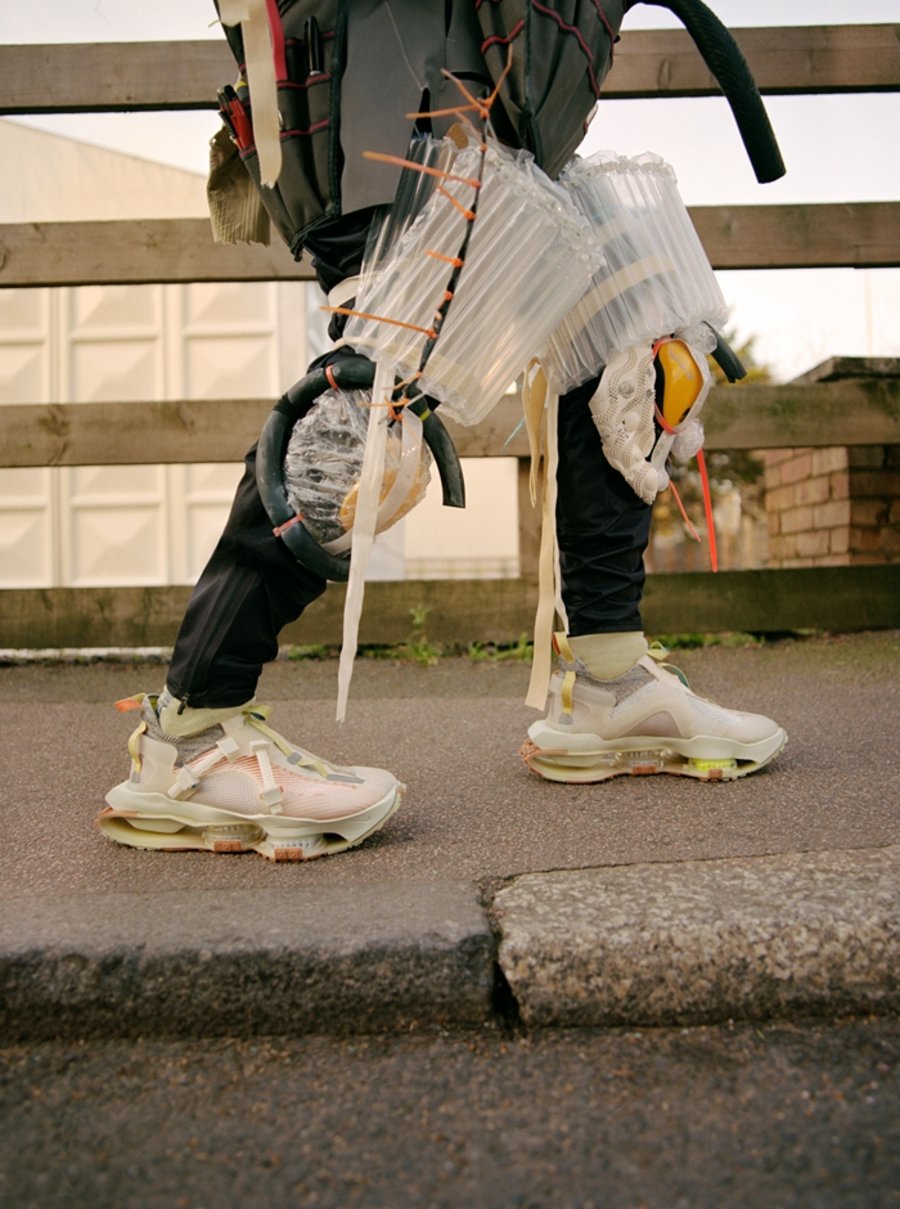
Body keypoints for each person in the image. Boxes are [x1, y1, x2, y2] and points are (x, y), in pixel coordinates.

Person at [96, 0, 785, 861]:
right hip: (381, 55)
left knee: (639, 343)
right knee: (367, 413)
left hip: (530, 53)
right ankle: (192, 735)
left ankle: (612, 684)